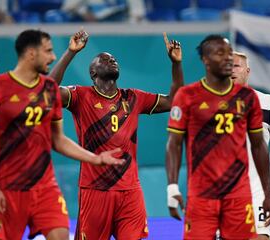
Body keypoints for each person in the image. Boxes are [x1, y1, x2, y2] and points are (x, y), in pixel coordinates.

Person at [0, 29, 124, 240]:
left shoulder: (49, 90)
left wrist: (96, 158)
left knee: (60, 235)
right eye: (48, 51)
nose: (53, 56)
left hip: (45, 188)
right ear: (31, 53)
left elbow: (58, 139)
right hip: (8, 188)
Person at [48, 31, 183, 239]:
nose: (112, 60)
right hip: (95, 190)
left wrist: (176, 65)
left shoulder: (134, 97)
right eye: (104, 59)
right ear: (93, 73)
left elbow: (174, 100)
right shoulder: (80, 96)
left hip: (130, 191)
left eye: (113, 59)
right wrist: (71, 52)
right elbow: (47, 92)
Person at [165, 35, 270, 239]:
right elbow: (174, 143)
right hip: (201, 195)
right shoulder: (188, 96)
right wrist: (172, 187)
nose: (228, 60)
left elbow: (259, 146)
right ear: (206, 60)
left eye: (229, 53)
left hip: (239, 194)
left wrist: (267, 192)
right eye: (220, 53)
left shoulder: (249, 99)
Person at [231, 51, 270, 240]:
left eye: (236, 65)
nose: (232, 70)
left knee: (260, 237)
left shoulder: (268, 103)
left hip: (259, 187)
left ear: (247, 71)